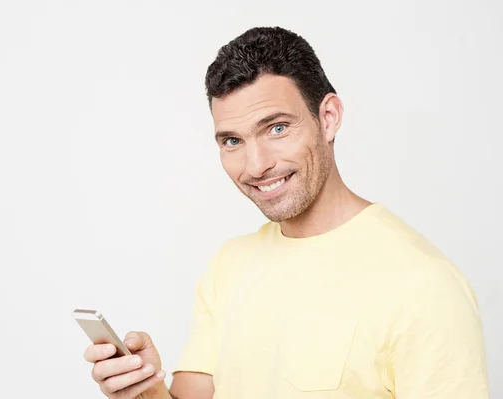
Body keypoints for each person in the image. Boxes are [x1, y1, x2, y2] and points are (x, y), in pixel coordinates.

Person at [83, 26, 490, 398]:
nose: (256, 165)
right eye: (231, 141)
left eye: (276, 128)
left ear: (327, 118)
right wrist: (146, 391)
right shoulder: (230, 265)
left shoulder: (425, 284)